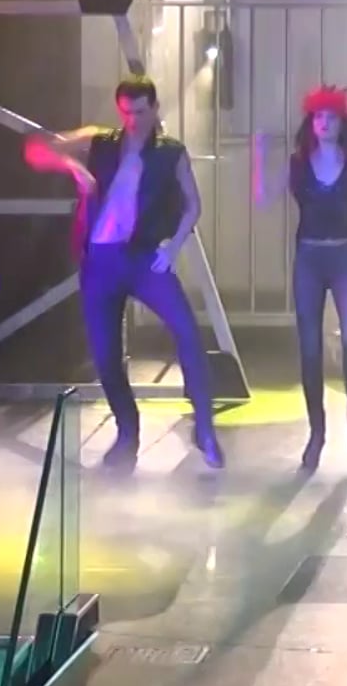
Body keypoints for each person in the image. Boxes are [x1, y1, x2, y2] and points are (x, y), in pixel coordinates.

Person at [25, 74, 223, 469]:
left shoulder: (171, 152)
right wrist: (73, 168)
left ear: (155, 108)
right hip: (100, 261)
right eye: (126, 113)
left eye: (140, 112)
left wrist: (174, 245)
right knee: (106, 356)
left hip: (145, 258)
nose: (133, 120)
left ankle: (204, 427)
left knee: (187, 332)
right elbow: (35, 149)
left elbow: (193, 205)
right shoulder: (100, 141)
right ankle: (127, 432)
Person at [253, 85, 347, 472]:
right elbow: (263, 199)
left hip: (346, 256)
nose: (324, 123)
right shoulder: (298, 163)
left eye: (331, 117)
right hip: (310, 257)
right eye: (318, 117)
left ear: (343, 123)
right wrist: (259, 156)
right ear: (311, 123)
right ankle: (317, 432)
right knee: (309, 347)